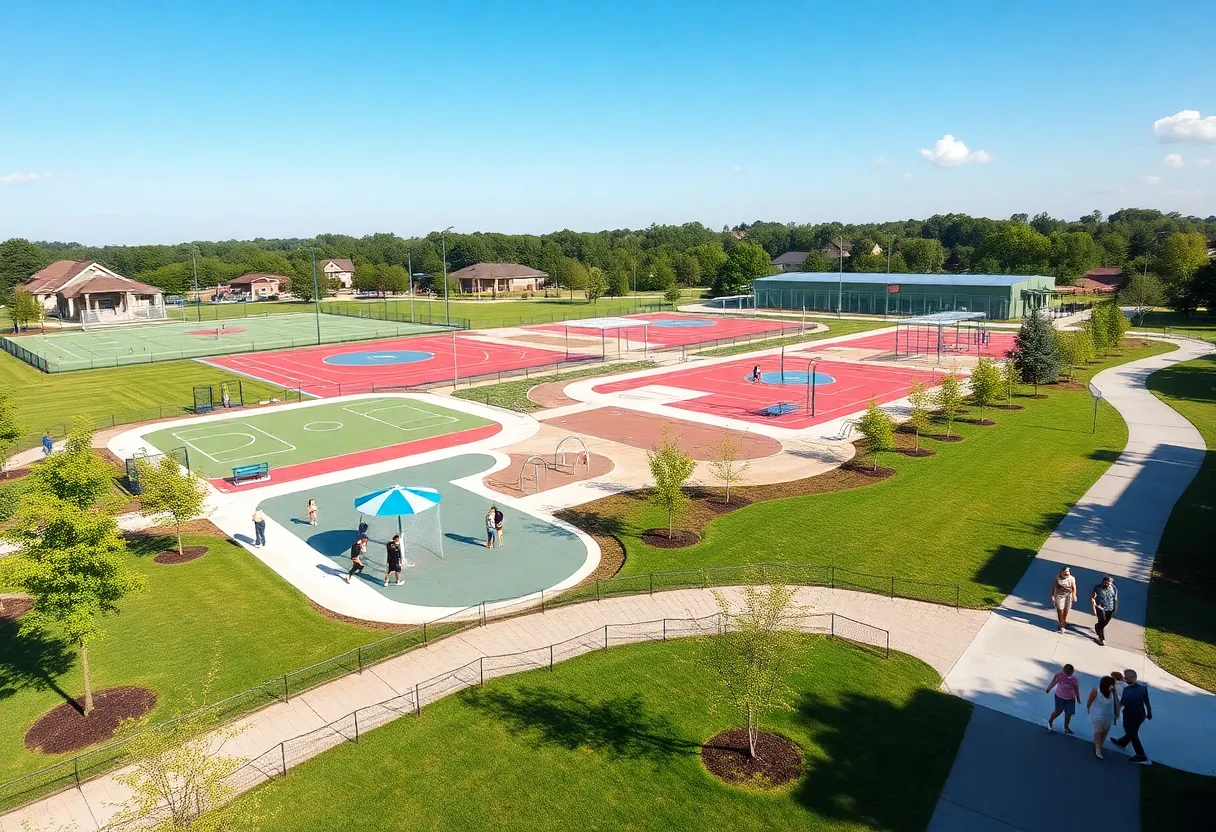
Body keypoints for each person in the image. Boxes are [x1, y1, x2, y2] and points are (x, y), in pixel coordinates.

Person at [1112, 669, 1152, 764]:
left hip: (1130, 715)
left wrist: (1113, 693)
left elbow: (1121, 704)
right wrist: (1149, 712)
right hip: (1141, 714)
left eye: (1125, 677)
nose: (1124, 678)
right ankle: (1123, 742)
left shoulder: (1127, 691)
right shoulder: (1142, 688)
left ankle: (1141, 755)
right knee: (1133, 731)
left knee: (1132, 734)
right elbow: (1146, 700)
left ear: (1128, 679)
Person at [1087, 675, 1119, 759]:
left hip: (1108, 715)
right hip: (1097, 715)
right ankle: (1098, 749)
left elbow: (1116, 703)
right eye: (1112, 685)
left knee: (1105, 730)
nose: (1114, 686)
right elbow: (1089, 701)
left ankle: (1099, 744)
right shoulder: (1096, 691)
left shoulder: (1112, 692)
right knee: (1098, 731)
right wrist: (1088, 708)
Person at [1046, 663, 1082, 734]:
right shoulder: (1059, 675)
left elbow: (1076, 689)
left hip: (1070, 699)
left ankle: (1066, 727)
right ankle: (1050, 721)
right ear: (1064, 671)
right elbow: (1053, 682)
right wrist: (1048, 689)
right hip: (1059, 697)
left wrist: (1077, 698)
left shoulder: (1074, 680)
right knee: (1057, 712)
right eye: (1067, 673)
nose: (1068, 675)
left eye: (1070, 673)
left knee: (1068, 714)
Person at [1090, 576, 1119, 646]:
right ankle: (1101, 638)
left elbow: (1115, 600)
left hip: (1110, 608)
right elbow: (1093, 597)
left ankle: (1097, 626)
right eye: (1106, 582)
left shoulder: (1114, 589)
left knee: (1105, 622)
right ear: (1103, 581)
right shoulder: (1097, 587)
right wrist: (1094, 606)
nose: (1108, 583)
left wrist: (1115, 610)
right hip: (1100, 607)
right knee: (1102, 621)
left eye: (1109, 582)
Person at [1049, 566, 1078, 633]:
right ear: (1061, 572)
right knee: (1060, 610)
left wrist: (1074, 595)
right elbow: (1054, 587)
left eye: (1067, 572)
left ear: (1069, 573)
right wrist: (1052, 596)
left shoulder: (1072, 578)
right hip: (1059, 596)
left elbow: (1074, 587)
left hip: (1068, 595)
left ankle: (1063, 620)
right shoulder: (1057, 578)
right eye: (1064, 572)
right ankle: (1061, 625)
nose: (1065, 573)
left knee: (1066, 609)